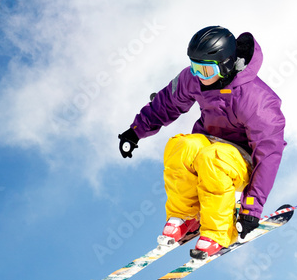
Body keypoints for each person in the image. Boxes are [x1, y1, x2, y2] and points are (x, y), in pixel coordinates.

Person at [118, 26, 286, 259]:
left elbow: (269, 154)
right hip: (210, 141)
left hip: (243, 159)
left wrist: (251, 208)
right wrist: (135, 132)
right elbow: (167, 102)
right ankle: (186, 217)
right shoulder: (195, 79)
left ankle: (218, 232)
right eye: (195, 68)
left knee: (213, 159)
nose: (199, 76)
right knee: (181, 146)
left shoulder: (257, 100)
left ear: (227, 65)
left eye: (206, 70)